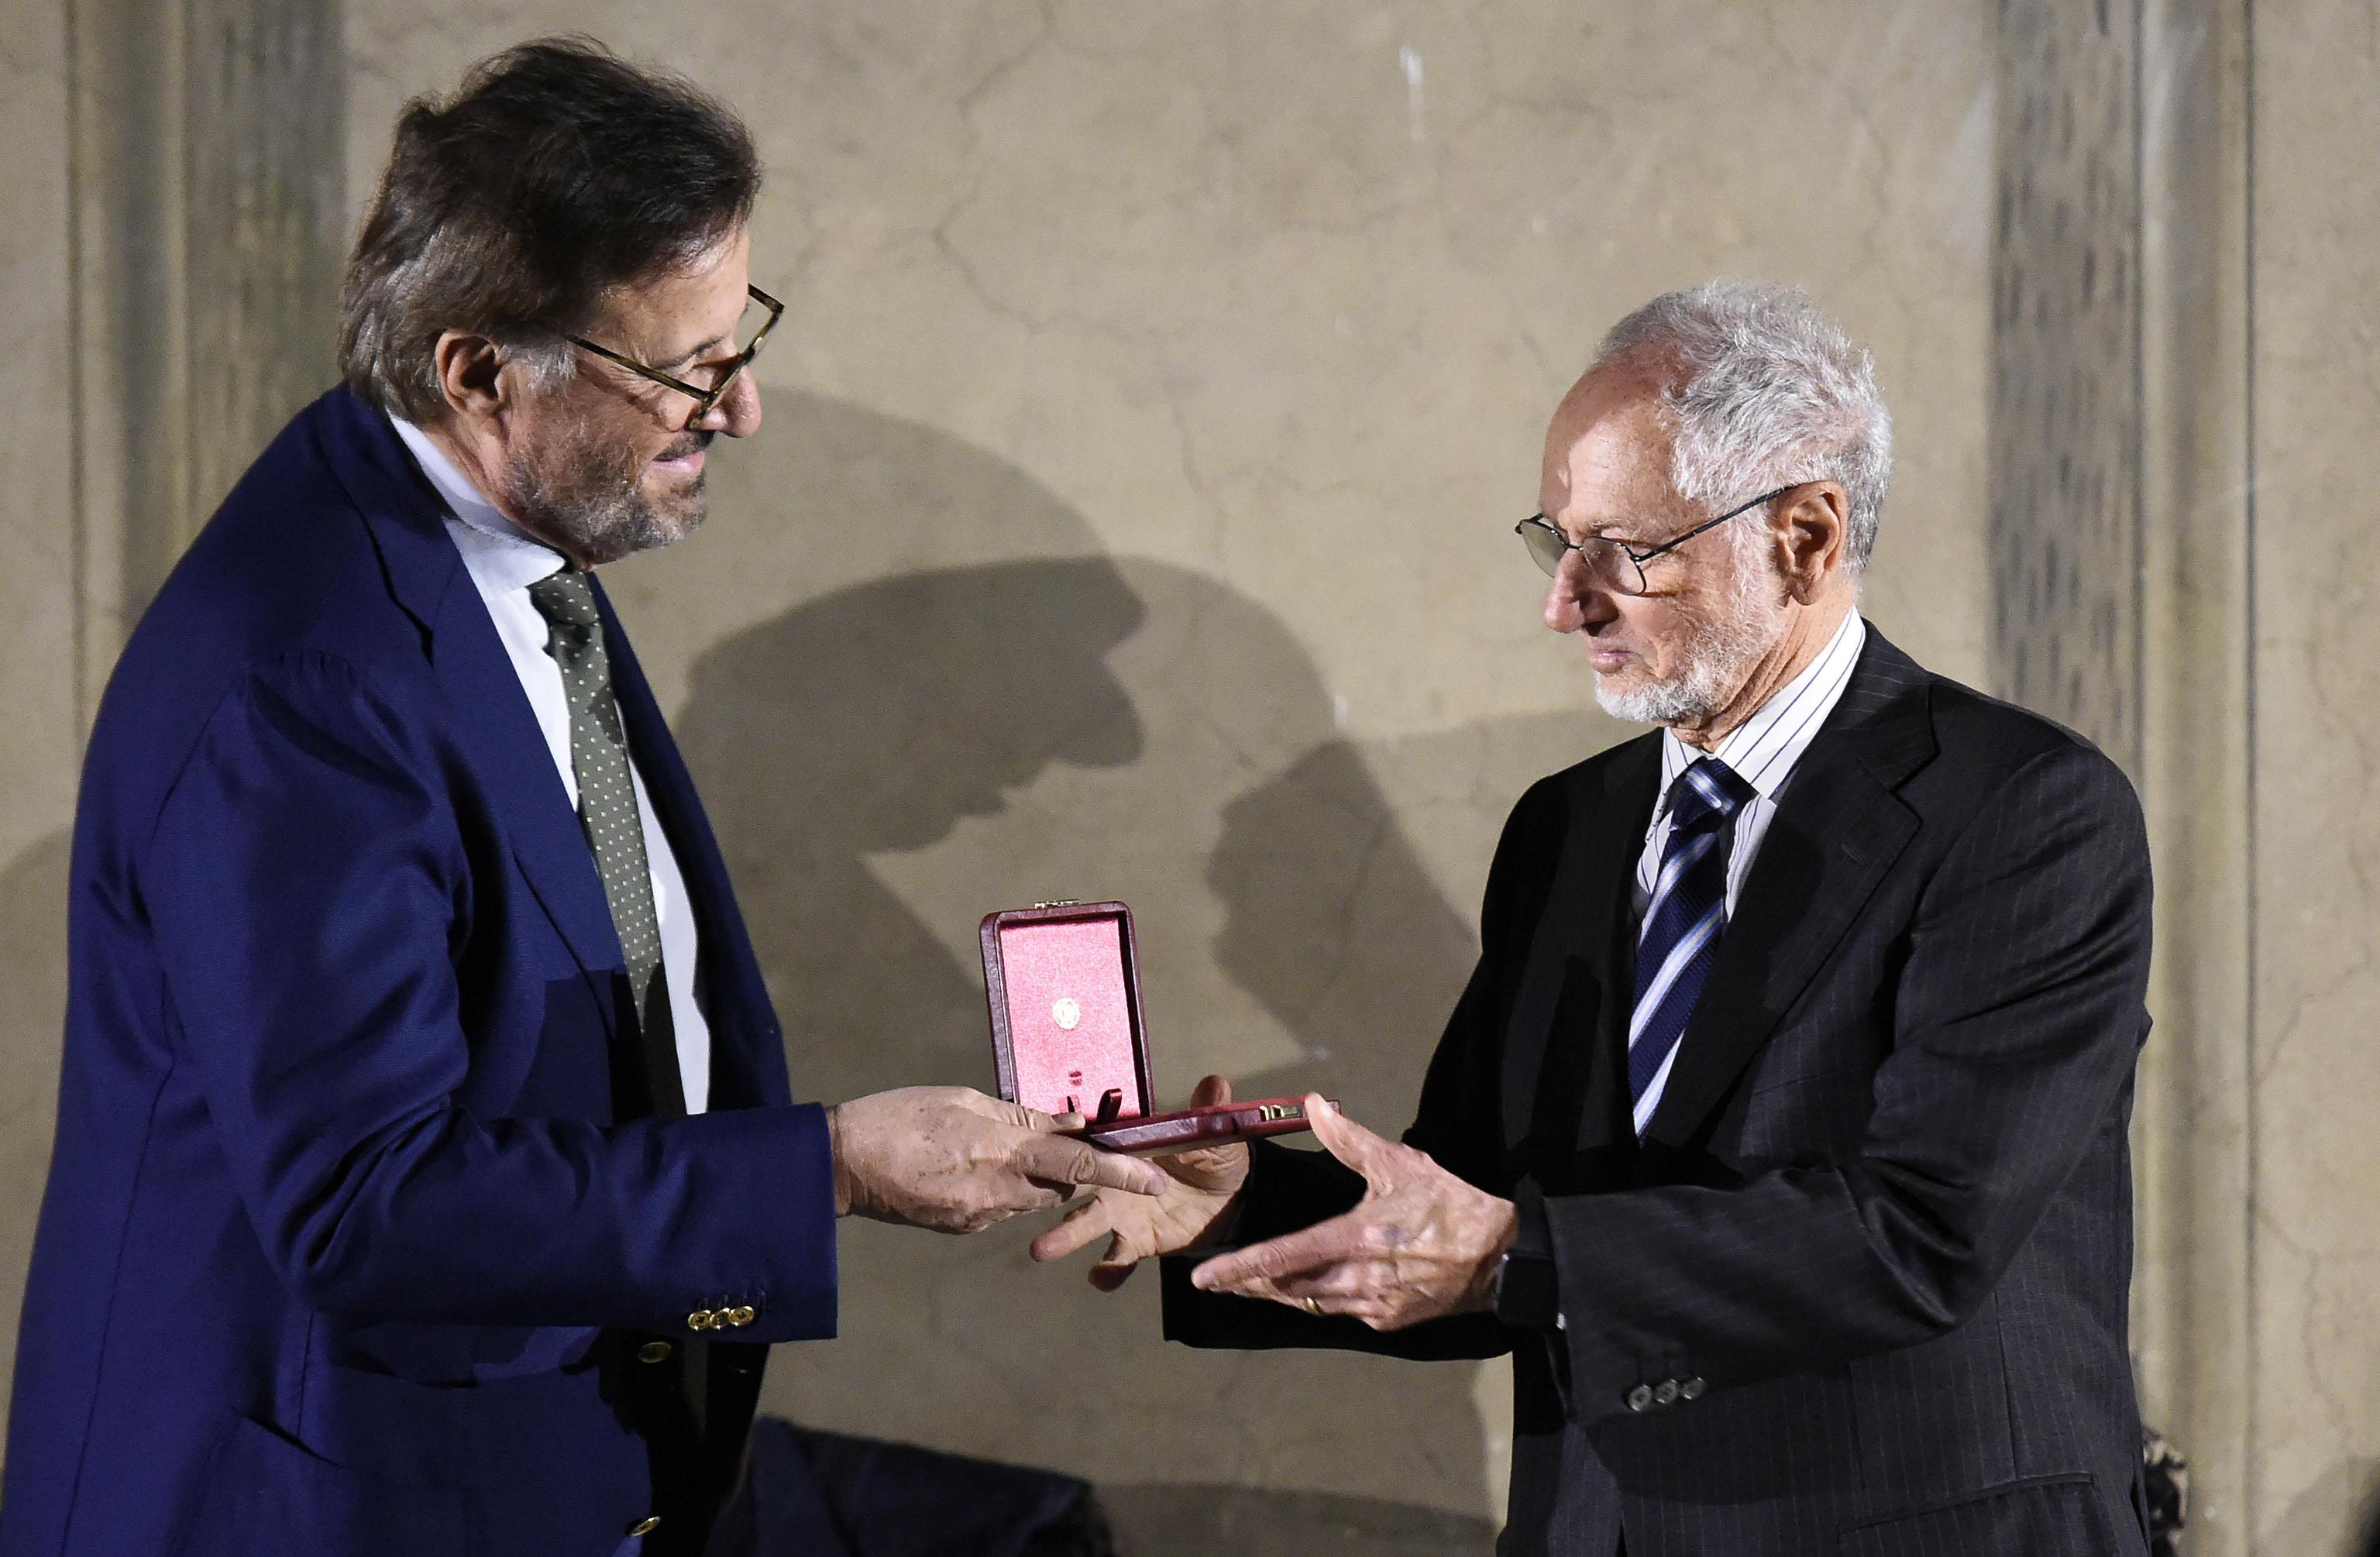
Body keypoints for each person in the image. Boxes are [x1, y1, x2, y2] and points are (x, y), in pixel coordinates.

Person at [0, 40, 1164, 1557]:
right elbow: (365, 1200)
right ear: (479, 372)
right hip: (329, 1504)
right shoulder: (302, 682)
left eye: (738, 339)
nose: (741, 410)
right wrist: (828, 1168)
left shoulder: (503, 534)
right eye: (686, 369)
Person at [1037, 282, 2156, 1555]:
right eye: (1555, 542)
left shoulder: (2025, 810)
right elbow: (1477, 1207)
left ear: (1804, 536)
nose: (1564, 603)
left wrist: (1519, 1253)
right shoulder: (1567, 828)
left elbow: (1925, 1229)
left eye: (1623, 550)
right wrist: (1232, 1209)